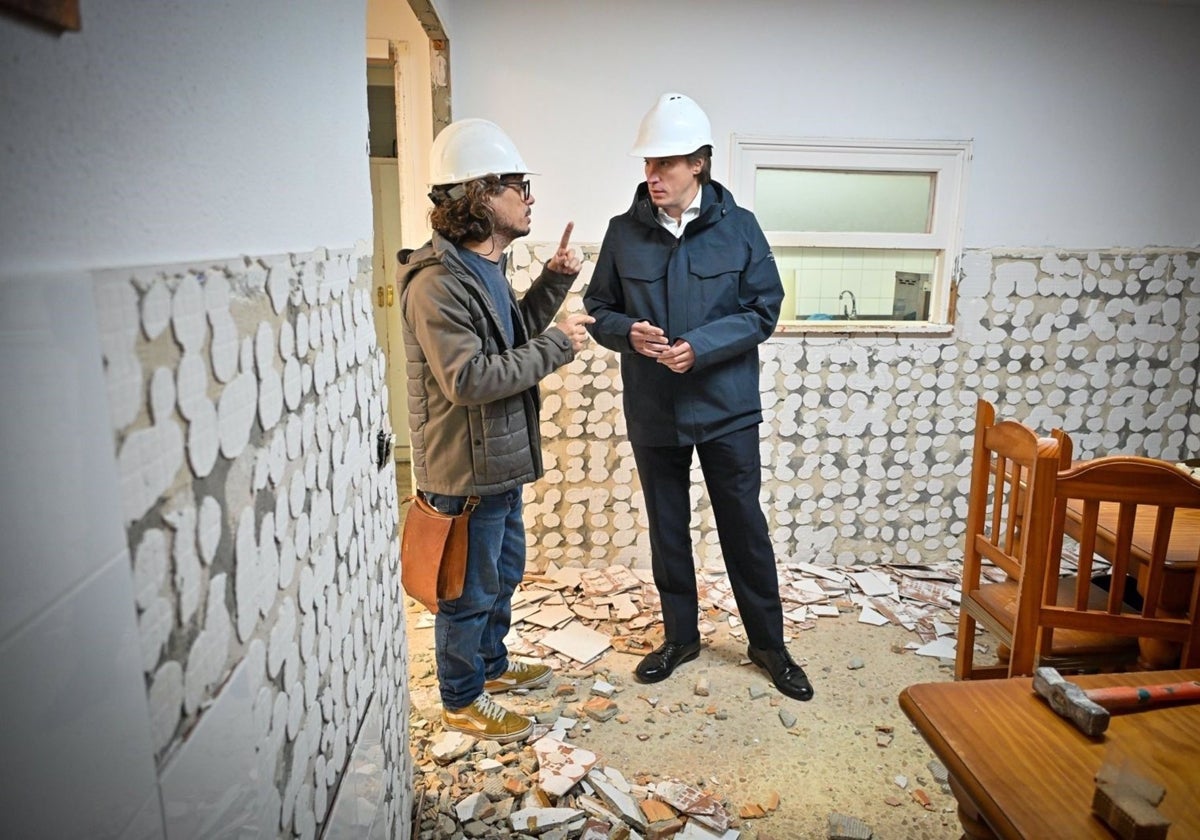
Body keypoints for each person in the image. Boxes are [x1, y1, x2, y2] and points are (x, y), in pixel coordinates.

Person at [583, 93, 813, 702]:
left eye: (666, 164)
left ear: (700, 164)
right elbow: (599, 307)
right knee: (668, 528)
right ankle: (681, 637)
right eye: (648, 165)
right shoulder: (621, 233)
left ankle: (768, 645)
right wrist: (624, 332)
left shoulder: (739, 230)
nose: (652, 176)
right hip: (654, 407)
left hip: (726, 409)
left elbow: (764, 308)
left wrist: (701, 346)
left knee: (744, 526)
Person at [397, 118, 594, 742]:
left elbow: (510, 338)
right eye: (519, 184)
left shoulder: (481, 267)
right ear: (482, 196)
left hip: (497, 466)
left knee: (503, 574)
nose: (530, 196)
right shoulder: (436, 284)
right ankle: (460, 696)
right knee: (466, 589)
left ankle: (492, 666)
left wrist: (555, 282)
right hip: (462, 472)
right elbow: (469, 379)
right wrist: (560, 346)